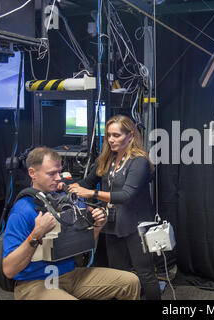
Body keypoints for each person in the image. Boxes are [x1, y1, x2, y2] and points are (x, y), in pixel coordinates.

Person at [2, 147, 140, 300]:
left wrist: (98, 224)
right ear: (32, 173)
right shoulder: (22, 211)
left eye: (59, 172)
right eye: (51, 174)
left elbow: (83, 245)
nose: (58, 178)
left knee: (130, 282)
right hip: (35, 283)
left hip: (70, 276)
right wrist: (35, 235)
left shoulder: (66, 201)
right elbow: (9, 270)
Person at [67, 114, 161, 300]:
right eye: (109, 135)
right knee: (119, 274)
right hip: (112, 224)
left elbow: (126, 195)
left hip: (136, 225)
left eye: (116, 135)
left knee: (145, 273)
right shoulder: (106, 159)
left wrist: (91, 194)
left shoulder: (139, 161)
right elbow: (86, 182)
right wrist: (63, 184)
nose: (111, 139)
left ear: (131, 136)